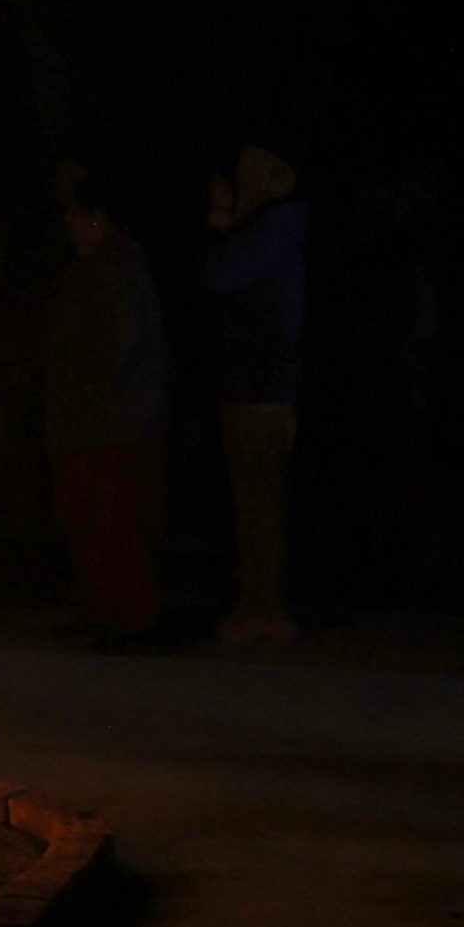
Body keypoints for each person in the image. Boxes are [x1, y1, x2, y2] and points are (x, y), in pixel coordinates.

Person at [45, 164, 169, 650]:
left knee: (115, 523)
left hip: (110, 423)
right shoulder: (101, 268)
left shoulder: (113, 270)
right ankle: (107, 612)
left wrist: (88, 392)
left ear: (99, 218)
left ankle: (129, 618)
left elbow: (115, 346)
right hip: (102, 421)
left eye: (77, 213)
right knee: (96, 521)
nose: (69, 222)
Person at [199, 145, 308, 642]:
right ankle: (261, 604)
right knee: (260, 507)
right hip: (262, 389)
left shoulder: (267, 236)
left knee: (258, 508)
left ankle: (265, 609)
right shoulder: (276, 233)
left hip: (258, 393)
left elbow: (218, 276)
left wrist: (223, 221)